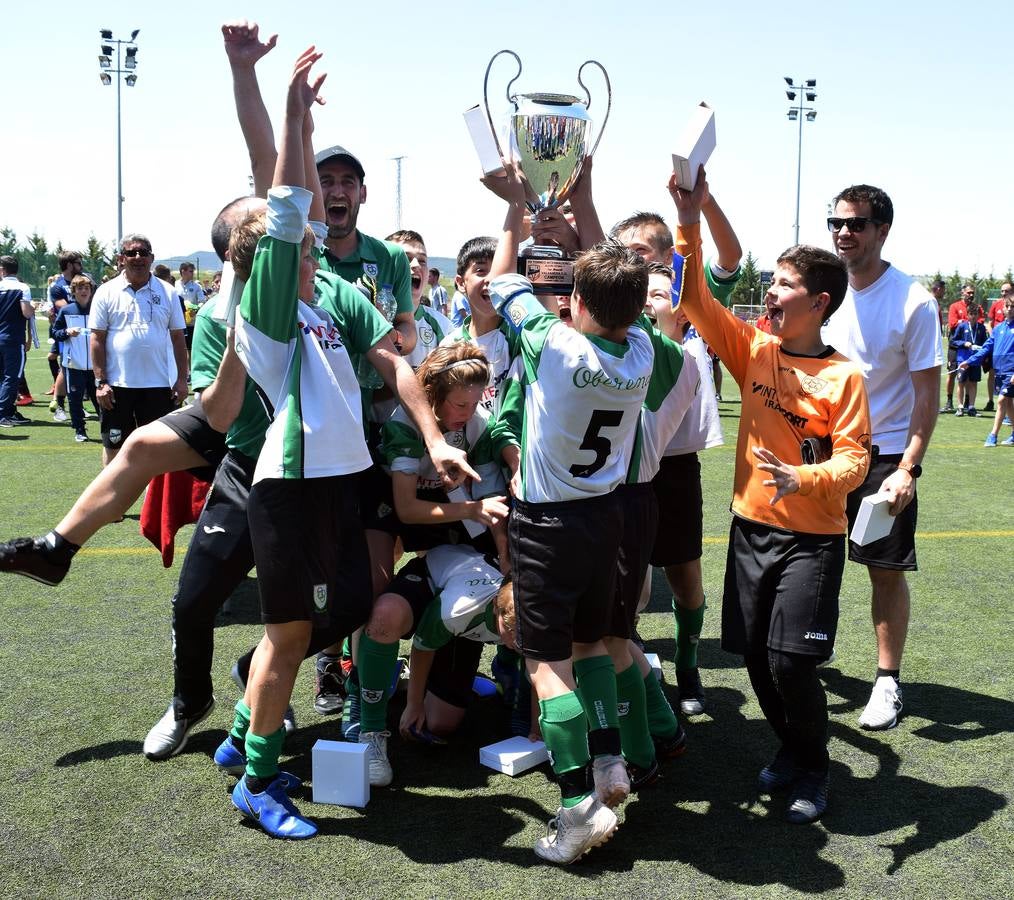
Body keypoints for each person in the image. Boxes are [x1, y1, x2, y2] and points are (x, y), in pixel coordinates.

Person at [221, 48, 475, 840]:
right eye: (289, 239)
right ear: (267, 253)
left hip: (343, 478)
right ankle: (258, 778)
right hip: (290, 485)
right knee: (291, 636)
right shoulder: (267, 302)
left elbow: (397, 363)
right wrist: (289, 109)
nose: (308, 244)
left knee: (358, 606)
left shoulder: (327, 295)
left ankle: (242, 725)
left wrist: (433, 438)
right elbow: (285, 193)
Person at [674, 167, 870, 824]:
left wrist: (801, 479)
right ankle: (792, 747)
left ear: (818, 302)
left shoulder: (843, 378)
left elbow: (855, 461)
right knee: (755, 654)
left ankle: (815, 767)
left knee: (793, 661)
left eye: (785, 284)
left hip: (812, 540)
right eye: (773, 280)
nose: (772, 290)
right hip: (750, 528)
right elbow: (694, 295)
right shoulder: (754, 349)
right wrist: (690, 216)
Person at [488, 191, 655, 862]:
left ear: (576, 302)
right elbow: (616, 294)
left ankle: (572, 811)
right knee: (591, 648)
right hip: (605, 520)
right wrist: (587, 224)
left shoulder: (551, 344)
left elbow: (501, 281)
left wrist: (509, 210)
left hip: (547, 525)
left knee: (545, 667)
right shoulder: (642, 350)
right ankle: (611, 761)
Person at [612, 201, 742, 717]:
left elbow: (730, 258)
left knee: (685, 574)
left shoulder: (692, 293)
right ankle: (633, 662)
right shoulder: (616, 297)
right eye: (624, 252)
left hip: (677, 459)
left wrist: (701, 205)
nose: (631, 261)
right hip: (623, 460)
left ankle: (688, 663)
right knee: (629, 578)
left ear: (668, 254)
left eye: (640, 251)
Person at [821, 184, 942, 731]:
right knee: (813, 562)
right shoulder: (824, 291)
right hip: (822, 452)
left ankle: (887, 682)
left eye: (857, 224)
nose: (844, 232)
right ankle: (806, 657)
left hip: (883, 457)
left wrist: (907, 468)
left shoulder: (913, 300)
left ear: (882, 230)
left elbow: (926, 395)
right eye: (837, 223)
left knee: (883, 572)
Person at [90, 234, 189, 466]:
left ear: (151, 258)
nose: (137, 257)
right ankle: (112, 499)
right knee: (114, 448)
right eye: (131, 253)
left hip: (159, 385)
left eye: (143, 253)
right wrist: (100, 382)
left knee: (159, 449)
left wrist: (182, 380)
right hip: (116, 386)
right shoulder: (106, 291)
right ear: (121, 258)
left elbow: (178, 339)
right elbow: (96, 339)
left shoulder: (168, 292)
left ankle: (153, 501)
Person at [961, 293, 1014, 446]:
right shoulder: (998, 329)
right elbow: (986, 349)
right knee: (1008, 404)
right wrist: (969, 362)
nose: (1010, 309)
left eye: (1013, 307)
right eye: (1007, 306)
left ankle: (993, 435)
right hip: (1000, 371)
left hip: (1011, 371)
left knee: (1002, 401)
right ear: (1003, 308)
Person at [50, 276, 98, 441]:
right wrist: (67, 332)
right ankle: (79, 430)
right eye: (80, 288)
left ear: (91, 291)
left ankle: (108, 429)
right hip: (73, 364)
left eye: (86, 288)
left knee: (100, 398)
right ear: (74, 291)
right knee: (75, 399)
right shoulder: (67, 310)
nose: (83, 291)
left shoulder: (98, 309)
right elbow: (55, 333)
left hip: (96, 365)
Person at [0, 255, 33, 428]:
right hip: (13, 338)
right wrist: (32, 307)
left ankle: (9, 410)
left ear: (2, 270)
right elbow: (26, 313)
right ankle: (3, 413)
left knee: (2, 376)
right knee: (12, 377)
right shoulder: (22, 288)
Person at [951, 304, 987, 416]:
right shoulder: (962, 326)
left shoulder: (981, 328)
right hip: (963, 359)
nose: (973, 316)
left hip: (975, 360)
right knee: (961, 382)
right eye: (971, 314)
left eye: (976, 314)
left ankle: (971, 407)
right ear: (967, 315)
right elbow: (953, 341)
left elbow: (985, 343)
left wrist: (981, 350)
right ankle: (960, 407)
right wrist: (964, 343)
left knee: (973, 383)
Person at [941, 284, 973, 413]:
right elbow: (952, 323)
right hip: (955, 345)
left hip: (969, 347)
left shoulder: (976, 307)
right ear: (963, 293)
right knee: (952, 372)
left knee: (968, 374)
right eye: (969, 292)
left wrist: (962, 321)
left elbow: (980, 321)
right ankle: (949, 401)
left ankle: (967, 402)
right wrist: (965, 321)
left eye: (972, 293)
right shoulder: (955, 306)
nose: (971, 295)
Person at [983, 283, 1011, 411]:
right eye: (1002, 291)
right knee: (992, 373)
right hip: (997, 343)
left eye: (1006, 291)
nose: (1003, 293)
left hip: (1010, 345)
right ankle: (990, 400)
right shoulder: (996, 304)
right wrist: (993, 336)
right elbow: (989, 323)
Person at [178, 261, 207, 360]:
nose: (193, 274)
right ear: (183, 271)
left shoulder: (196, 286)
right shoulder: (175, 285)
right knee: (179, 347)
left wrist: (196, 309)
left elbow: (202, 301)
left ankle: (190, 371)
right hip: (178, 322)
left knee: (191, 347)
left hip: (192, 322)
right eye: (191, 271)